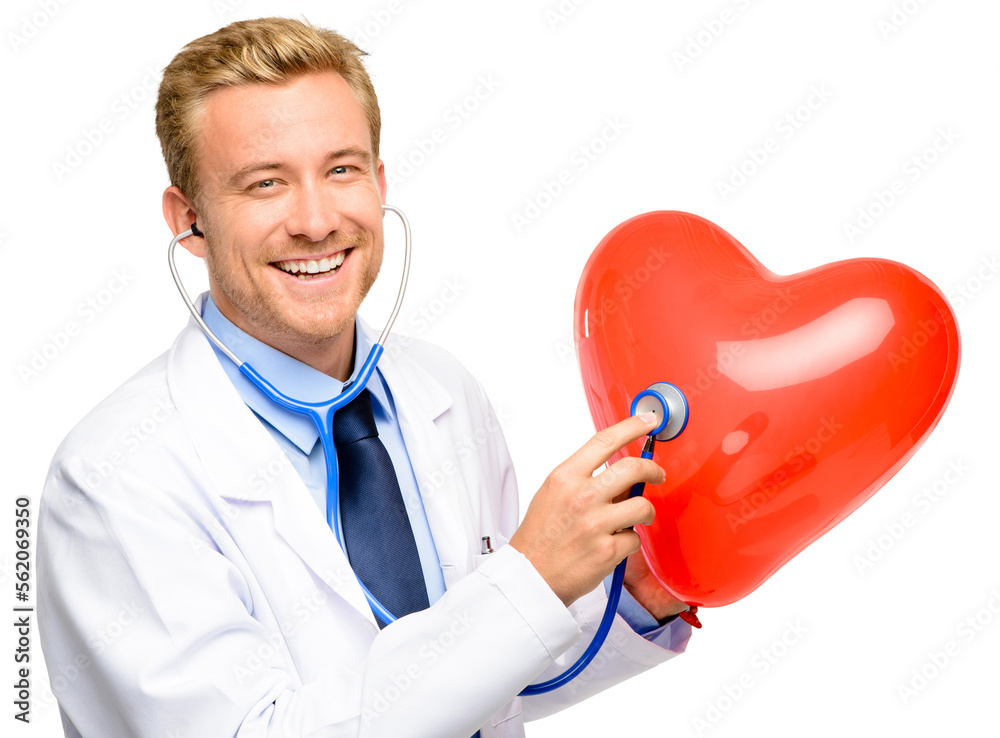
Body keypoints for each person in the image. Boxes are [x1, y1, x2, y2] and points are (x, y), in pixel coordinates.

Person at [37, 17, 692, 738]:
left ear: (379, 183)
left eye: (341, 169)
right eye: (265, 184)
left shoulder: (443, 393)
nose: (316, 220)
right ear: (189, 221)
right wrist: (529, 581)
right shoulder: (112, 478)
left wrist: (627, 598)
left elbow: (481, 677)